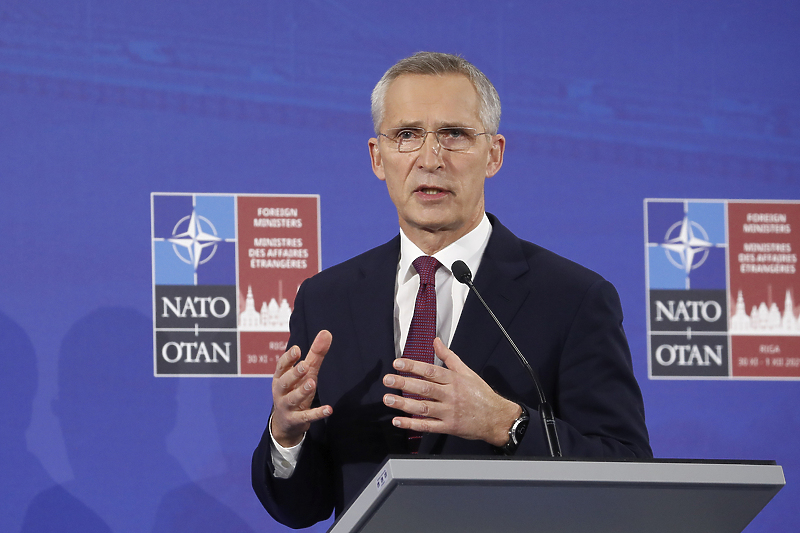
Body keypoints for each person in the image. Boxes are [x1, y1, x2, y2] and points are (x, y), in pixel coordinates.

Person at [252, 52, 651, 528]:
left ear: (495, 154)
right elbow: (301, 509)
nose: (429, 159)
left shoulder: (573, 297)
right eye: (406, 135)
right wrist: (287, 433)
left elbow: (627, 472)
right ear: (378, 159)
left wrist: (507, 425)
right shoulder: (327, 299)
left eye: (454, 135)